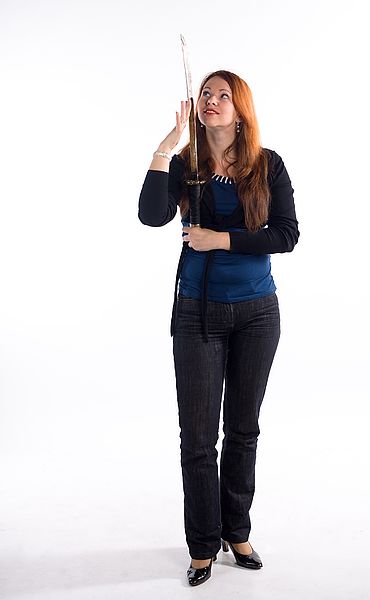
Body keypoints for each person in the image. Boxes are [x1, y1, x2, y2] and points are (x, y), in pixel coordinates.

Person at [138, 70, 299, 586]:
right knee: (199, 438)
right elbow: (151, 215)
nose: (211, 102)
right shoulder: (188, 166)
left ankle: (237, 530)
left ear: (240, 108)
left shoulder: (267, 164)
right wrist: (167, 144)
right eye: (205, 94)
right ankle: (203, 544)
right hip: (197, 314)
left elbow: (286, 235)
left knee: (244, 431)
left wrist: (221, 240)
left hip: (257, 314)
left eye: (222, 95)